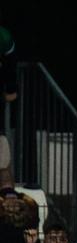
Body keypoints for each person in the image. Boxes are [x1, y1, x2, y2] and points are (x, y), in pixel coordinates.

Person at [0, 23, 16, 193]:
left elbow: (10, 64)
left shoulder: (3, 37)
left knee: (1, 149)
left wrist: (11, 88)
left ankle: (7, 193)